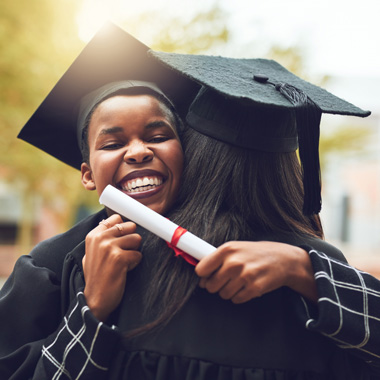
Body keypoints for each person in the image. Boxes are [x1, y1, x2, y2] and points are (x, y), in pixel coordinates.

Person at [0, 23, 377, 380]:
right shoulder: (57, 265)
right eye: (113, 143)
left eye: (159, 135)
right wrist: (91, 307)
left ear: (189, 152)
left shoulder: (310, 270)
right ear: (86, 174)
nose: (138, 152)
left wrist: (304, 269)